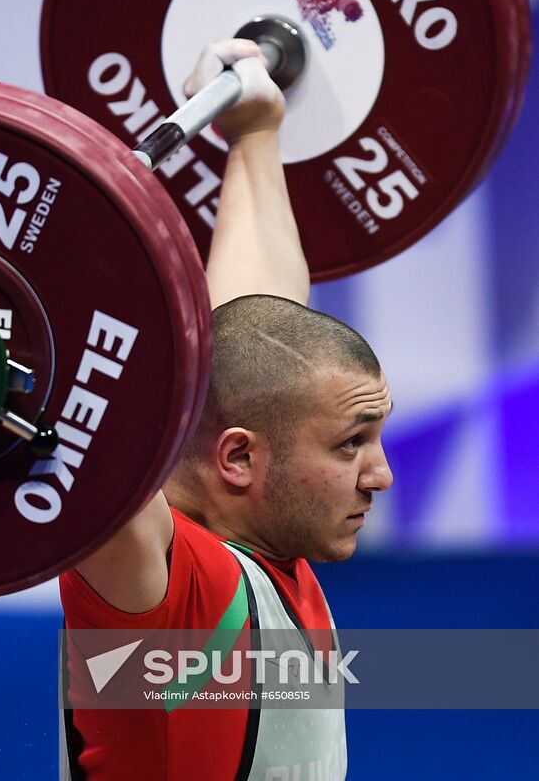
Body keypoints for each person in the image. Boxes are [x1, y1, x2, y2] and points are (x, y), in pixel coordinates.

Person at [60, 40, 393, 781]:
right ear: (238, 457)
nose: (382, 475)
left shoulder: (274, 555)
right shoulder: (175, 595)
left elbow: (256, 326)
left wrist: (254, 135)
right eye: (351, 445)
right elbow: (88, 460)